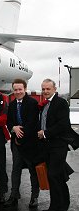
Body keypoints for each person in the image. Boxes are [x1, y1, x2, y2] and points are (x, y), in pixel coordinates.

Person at [4, 79, 40, 208]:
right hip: (16, 145)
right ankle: (14, 196)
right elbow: (8, 122)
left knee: (33, 171)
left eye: (20, 89)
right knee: (16, 170)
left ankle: (34, 196)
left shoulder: (32, 103)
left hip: (30, 144)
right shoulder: (12, 104)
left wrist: (20, 133)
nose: (18, 92)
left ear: (25, 89)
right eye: (15, 89)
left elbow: (32, 124)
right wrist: (13, 127)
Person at [37, 79, 71, 211]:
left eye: (48, 89)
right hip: (47, 147)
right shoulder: (45, 105)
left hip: (58, 146)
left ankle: (57, 206)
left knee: (53, 175)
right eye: (43, 89)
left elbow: (63, 125)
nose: (45, 91)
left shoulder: (60, 103)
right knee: (57, 176)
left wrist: (45, 133)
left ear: (54, 89)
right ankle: (61, 203)